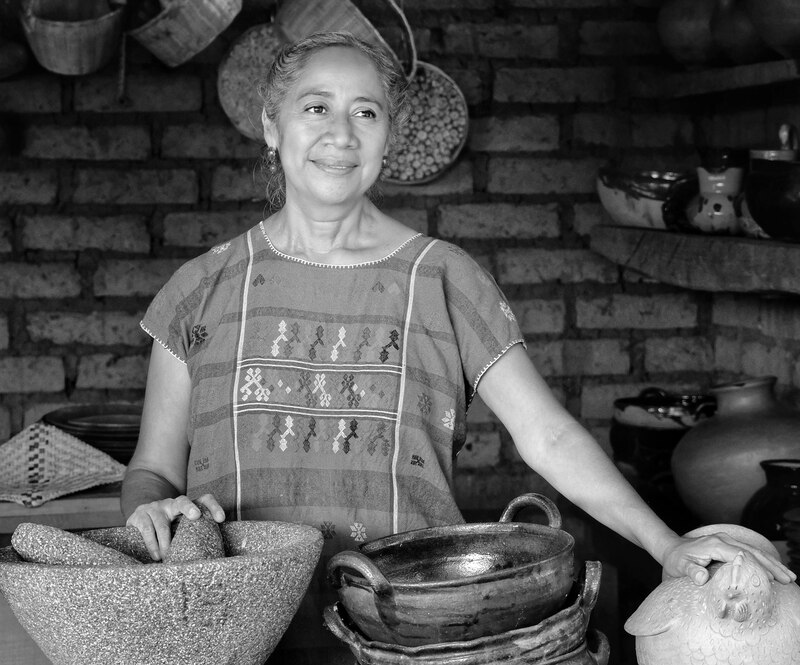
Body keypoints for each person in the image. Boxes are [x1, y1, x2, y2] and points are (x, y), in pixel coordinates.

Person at [121, 31, 795, 664]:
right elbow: (152, 470)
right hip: (230, 638)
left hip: (413, 639)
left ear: (389, 135)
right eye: (316, 106)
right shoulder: (199, 290)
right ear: (273, 126)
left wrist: (665, 542)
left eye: (366, 112)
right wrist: (148, 510)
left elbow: (548, 436)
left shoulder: (444, 279)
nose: (340, 134)